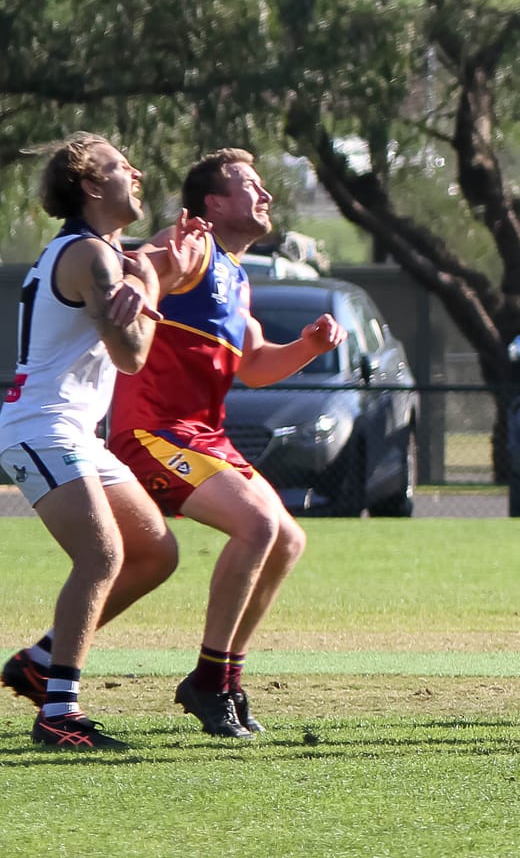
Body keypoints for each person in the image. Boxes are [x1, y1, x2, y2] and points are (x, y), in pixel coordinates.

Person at [106, 149, 345, 739]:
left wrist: (309, 348)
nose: (264, 195)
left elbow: (256, 365)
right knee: (258, 528)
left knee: (287, 538)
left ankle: (223, 676)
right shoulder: (190, 243)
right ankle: (209, 679)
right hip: (151, 431)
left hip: (202, 437)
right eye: (250, 185)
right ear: (213, 203)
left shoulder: (236, 275)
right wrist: (139, 277)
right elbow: (145, 260)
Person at [0, 134, 199, 750]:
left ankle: (42, 660)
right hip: (40, 426)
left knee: (155, 553)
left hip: (73, 431)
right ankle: (59, 713)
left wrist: (161, 265)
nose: (135, 173)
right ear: (90, 186)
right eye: (119, 167)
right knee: (104, 555)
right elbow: (133, 355)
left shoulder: (106, 251)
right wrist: (153, 287)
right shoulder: (92, 257)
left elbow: (148, 263)